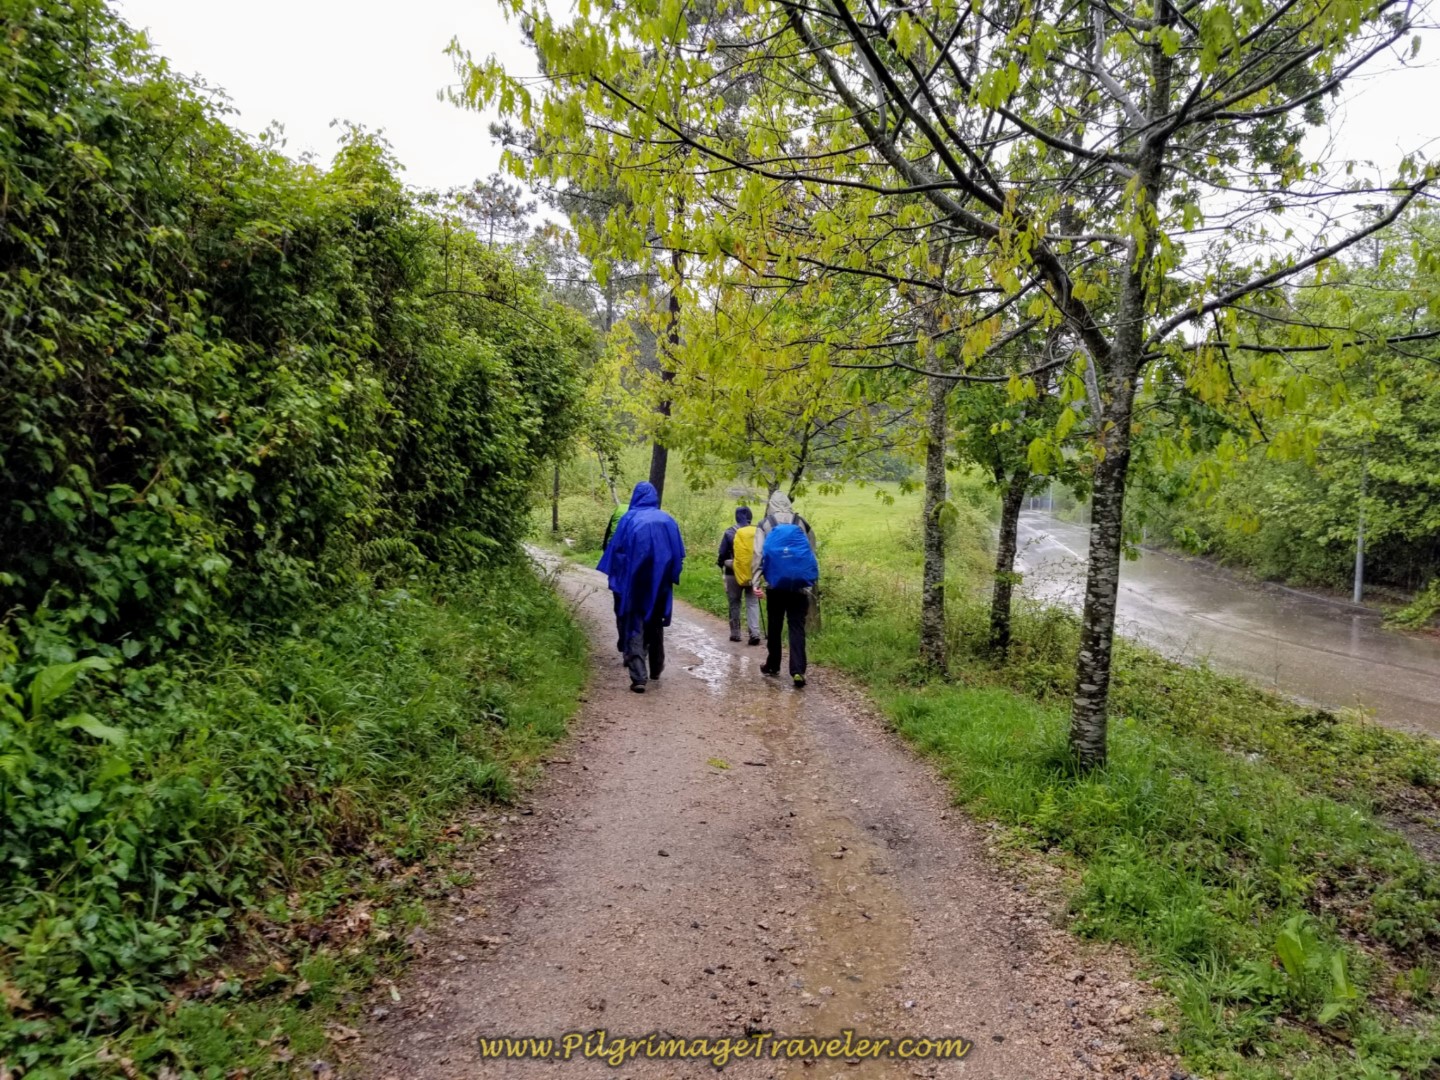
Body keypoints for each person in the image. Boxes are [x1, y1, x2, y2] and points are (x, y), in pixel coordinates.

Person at [597, 481, 685, 693]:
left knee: (634, 621)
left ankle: (638, 676)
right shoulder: (667, 520)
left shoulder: (629, 519)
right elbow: (678, 554)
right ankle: (656, 667)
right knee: (655, 621)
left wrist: (618, 581)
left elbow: (617, 550)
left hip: (634, 581)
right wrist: (671, 576)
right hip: (660, 582)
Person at [754, 491, 818, 688]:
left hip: (775, 585)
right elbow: (811, 552)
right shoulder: (802, 523)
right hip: (799, 586)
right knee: (796, 626)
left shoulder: (765, 524)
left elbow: (758, 554)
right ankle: (798, 670)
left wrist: (755, 582)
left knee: (775, 625)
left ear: (771, 505)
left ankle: (773, 665)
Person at [716, 506, 761, 645]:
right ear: (750, 517)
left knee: (734, 602)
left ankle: (735, 633)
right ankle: (754, 633)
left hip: (733, 572)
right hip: (752, 572)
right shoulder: (757, 531)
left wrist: (721, 564)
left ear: (736, 517)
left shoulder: (730, 532)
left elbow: (722, 553)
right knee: (752, 603)